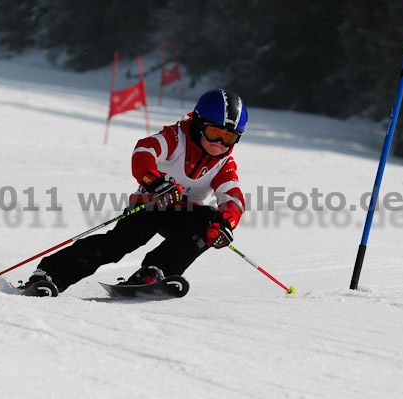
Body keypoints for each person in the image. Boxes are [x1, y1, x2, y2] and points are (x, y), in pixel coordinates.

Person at [21, 89, 248, 295]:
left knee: (209, 224)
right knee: (121, 242)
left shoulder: (223, 164)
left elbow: (233, 197)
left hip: (185, 215)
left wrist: (226, 223)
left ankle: (155, 272)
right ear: (199, 124)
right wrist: (155, 182)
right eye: (214, 133)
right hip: (151, 203)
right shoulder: (175, 137)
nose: (219, 143)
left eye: (228, 137)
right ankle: (50, 274)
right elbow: (143, 151)